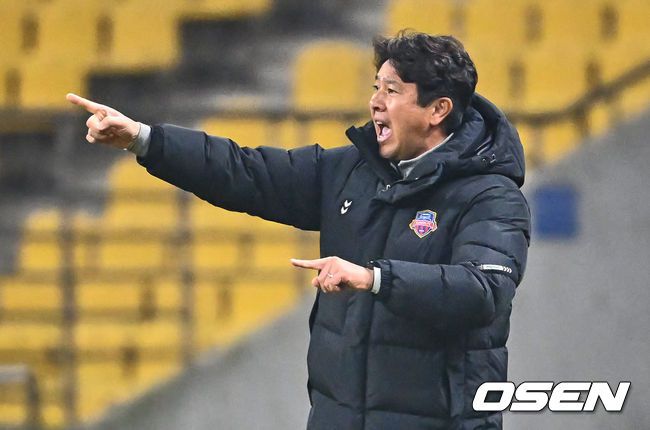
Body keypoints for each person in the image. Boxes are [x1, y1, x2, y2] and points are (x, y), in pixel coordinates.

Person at [67, 32, 530, 430]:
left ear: (438, 109)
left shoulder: (491, 196)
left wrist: (375, 278)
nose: (375, 101)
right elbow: (246, 171)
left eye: (392, 90)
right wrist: (143, 139)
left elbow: (483, 291)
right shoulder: (350, 172)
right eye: (375, 87)